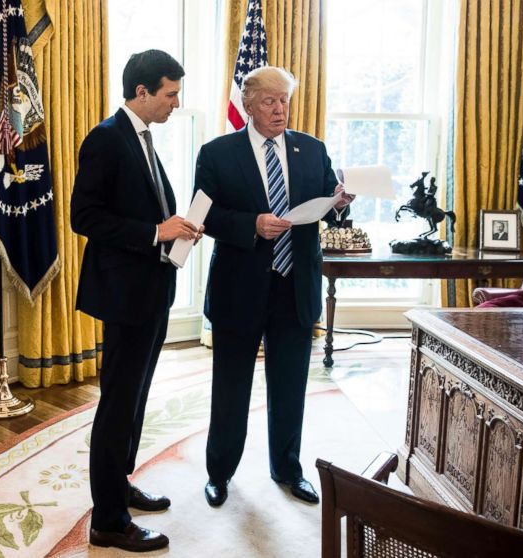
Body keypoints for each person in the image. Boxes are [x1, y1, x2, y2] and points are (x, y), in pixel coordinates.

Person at [194, 66, 354, 509]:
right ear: (248, 105)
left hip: (295, 288)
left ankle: (288, 469)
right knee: (231, 389)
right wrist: (251, 224)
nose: (280, 109)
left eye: (284, 100)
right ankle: (219, 473)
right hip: (238, 289)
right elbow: (203, 217)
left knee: (289, 387)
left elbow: (329, 204)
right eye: (269, 101)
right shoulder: (217, 153)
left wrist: (341, 203)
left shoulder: (312, 149)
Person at [70, 49, 201, 553]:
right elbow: (86, 217)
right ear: (142, 92)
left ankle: (118, 486)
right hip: (124, 295)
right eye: (170, 94)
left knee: (136, 399)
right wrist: (155, 230)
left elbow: (150, 209)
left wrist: (178, 229)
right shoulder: (106, 139)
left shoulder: (142, 139)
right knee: (118, 404)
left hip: (151, 290)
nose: (176, 103)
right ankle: (107, 520)